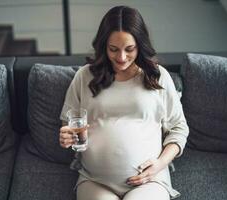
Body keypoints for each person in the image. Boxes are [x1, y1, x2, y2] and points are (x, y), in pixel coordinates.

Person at [59, 5, 189, 200]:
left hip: (149, 180)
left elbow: (179, 128)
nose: (121, 57)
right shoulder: (84, 76)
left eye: (129, 49)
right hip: (95, 180)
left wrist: (160, 164)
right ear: (104, 46)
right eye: (113, 49)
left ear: (140, 45)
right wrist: (67, 136)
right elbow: (68, 123)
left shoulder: (157, 76)